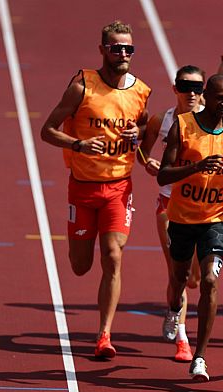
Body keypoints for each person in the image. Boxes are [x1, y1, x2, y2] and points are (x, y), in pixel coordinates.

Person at [40, 20, 151, 359]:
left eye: (128, 49)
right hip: (83, 188)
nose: (123, 54)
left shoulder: (141, 90)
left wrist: (139, 136)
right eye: (116, 48)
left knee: (113, 256)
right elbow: (47, 130)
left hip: (119, 186)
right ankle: (79, 245)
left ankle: (104, 334)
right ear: (102, 49)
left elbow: (143, 123)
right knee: (80, 264)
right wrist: (78, 145)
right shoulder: (82, 86)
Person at [157, 75, 223, 381]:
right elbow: (163, 175)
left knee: (209, 280)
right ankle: (172, 308)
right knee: (180, 279)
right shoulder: (182, 126)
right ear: (206, 97)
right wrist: (197, 167)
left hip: (215, 219)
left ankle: (199, 357)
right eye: (220, 98)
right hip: (182, 217)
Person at [143, 65, 205, 362]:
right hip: (169, 205)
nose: (191, 93)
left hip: (203, 207)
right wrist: (150, 163)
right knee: (176, 272)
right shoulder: (162, 120)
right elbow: (143, 151)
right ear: (175, 88)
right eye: (185, 86)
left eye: (197, 87)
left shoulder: (213, 120)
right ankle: (182, 337)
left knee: (194, 279)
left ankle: (172, 310)